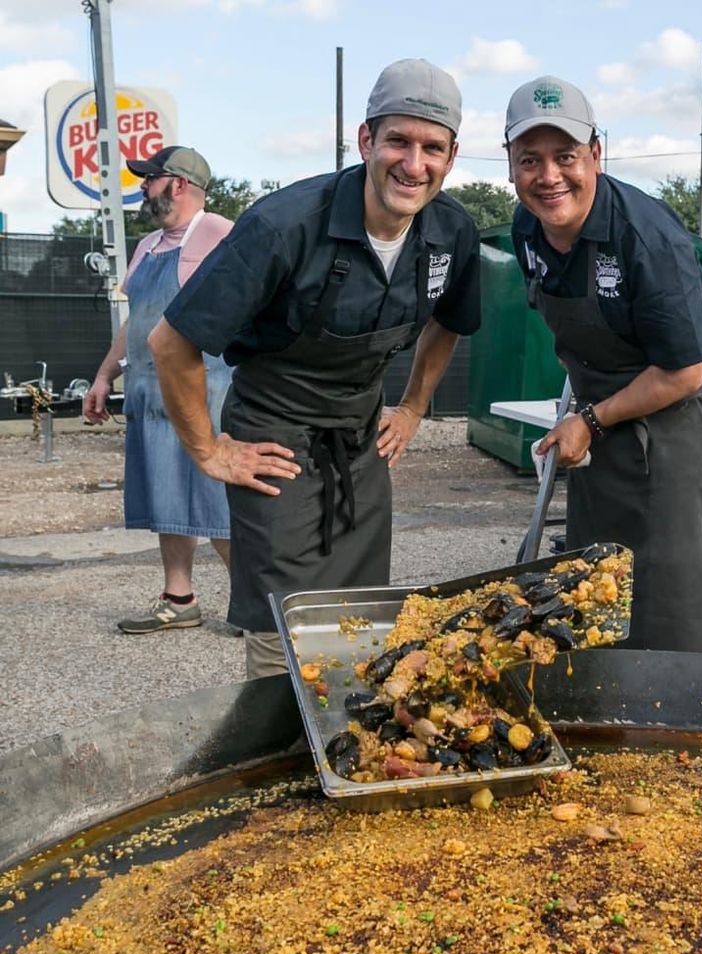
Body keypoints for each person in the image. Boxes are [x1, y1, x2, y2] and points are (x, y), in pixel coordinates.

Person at [148, 59, 481, 678]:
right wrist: (209, 452)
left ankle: (344, 746)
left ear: (451, 155)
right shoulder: (283, 226)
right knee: (287, 619)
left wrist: (411, 407)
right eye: (398, 141)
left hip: (358, 438)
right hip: (273, 436)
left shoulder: (450, 230)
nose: (414, 164)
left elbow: (452, 320)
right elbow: (171, 343)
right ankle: (280, 746)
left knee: (361, 613)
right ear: (366, 140)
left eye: (432, 147)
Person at [504, 76, 702, 653]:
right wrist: (590, 419)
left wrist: (592, 420)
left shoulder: (645, 236)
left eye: (566, 156)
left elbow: (684, 370)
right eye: (530, 159)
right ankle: (605, 728)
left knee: (674, 606)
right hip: (602, 433)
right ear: (510, 165)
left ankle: (683, 728)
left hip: (679, 430)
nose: (549, 176)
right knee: (596, 596)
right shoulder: (527, 229)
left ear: (596, 155)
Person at [84, 145, 234, 633]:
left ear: (180, 185)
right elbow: (138, 320)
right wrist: (107, 374)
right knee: (167, 495)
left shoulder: (219, 235)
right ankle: (180, 598)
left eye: (150, 179)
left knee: (218, 499)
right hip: (149, 391)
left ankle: (256, 602)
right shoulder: (148, 245)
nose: (143, 188)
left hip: (204, 390)